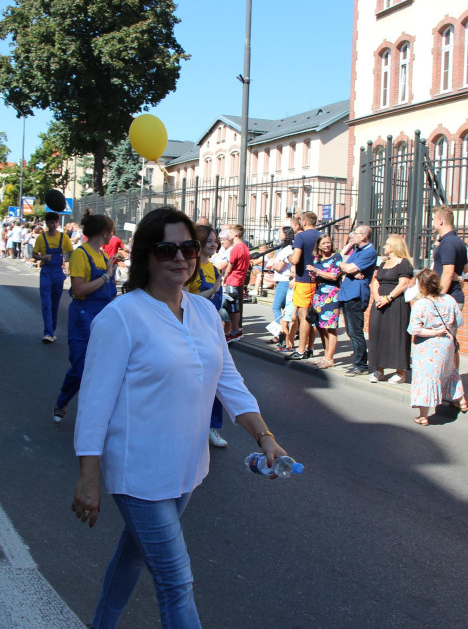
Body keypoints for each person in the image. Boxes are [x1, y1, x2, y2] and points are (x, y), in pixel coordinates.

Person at [70, 207, 288, 628]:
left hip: (187, 467)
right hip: (139, 473)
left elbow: (228, 380)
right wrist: (88, 475)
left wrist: (264, 436)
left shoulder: (205, 312)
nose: (180, 257)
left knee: (133, 556)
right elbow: (95, 404)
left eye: (188, 247)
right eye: (166, 248)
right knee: (176, 581)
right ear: (146, 256)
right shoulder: (121, 317)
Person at [52, 212, 118, 424]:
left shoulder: (103, 256)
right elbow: (79, 289)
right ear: (105, 233)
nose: (113, 236)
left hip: (104, 318)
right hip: (83, 317)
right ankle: (62, 401)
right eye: (112, 232)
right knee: (81, 367)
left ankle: (94, 412)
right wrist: (106, 276)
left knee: (103, 369)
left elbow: (109, 288)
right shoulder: (81, 254)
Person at [188, 225, 229, 447]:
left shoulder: (214, 270)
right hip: (191, 330)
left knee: (215, 379)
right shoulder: (189, 267)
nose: (214, 244)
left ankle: (211, 427)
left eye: (215, 241)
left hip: (211, 332)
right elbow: (183, 300)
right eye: (210, 240)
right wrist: (211, 291)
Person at [407, 269, 465, 424]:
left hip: (427, 346)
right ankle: (461, 400)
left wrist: (434, 331)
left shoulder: (421, 304)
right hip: (446, 344)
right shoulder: (449, 299)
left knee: (426, 378)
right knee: (448, 371)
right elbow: (459, 321)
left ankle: (423, 416)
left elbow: (414, 329)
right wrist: (444, 329)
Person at [367, 234, 414, 383]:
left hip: (396, 304)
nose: (384, 246)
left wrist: (388, 298)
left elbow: (403, 284)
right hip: (380, 303)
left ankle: (400, 372)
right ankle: (378, 369)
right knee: (377, 333)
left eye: (387, 244)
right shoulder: (383, 263)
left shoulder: (404, 263)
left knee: (396, 335)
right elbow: (376, 281)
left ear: (394, 246)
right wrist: (377, 296)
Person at [337, 225, 377, 376]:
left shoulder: (369, 252)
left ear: (364, 236)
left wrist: (347, 268)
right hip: (347, 293)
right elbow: (341, 264)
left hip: (356, 295)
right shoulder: (357, 250)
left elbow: (349, 269)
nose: (352, 236)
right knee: (351, 331)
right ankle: (358, 363)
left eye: (355, 234)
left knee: (355, 331)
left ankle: (361, 365)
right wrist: (345, 267)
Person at [431, 205, 468, 369]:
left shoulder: (448, 243)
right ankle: (451, 380)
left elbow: (447, 273)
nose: (432, 223)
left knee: (444, 341)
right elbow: (465, 269)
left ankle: (448, 382)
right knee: (450, 340)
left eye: (433, 220)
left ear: (440, 221)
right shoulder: (457, 242)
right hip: (454, 296)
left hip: (448, 297)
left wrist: (438, 297)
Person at [33, 212, 73, 344]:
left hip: (57, 273)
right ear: (47, 223)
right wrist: (42, 258)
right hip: (46, 272)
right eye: (51, 222)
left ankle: (51, 331)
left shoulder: (64, 238)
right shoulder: (41, 238)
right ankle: (48, 332)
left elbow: (71, 252)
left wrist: (72, 268)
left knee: (55, 304)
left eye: (56, 222)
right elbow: (34, 254)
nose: (54, 225)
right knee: (46, 303)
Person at [306, 234, 343, 368]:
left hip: (332, 295)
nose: (327, 245)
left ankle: (330, 359)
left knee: (331, 327)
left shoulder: (337, 257)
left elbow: (334, 276)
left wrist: (316, 271)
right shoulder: (318, 259)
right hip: (319, 294)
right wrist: (313, 276)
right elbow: (316, 278)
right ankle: (326, 355)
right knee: (321, 326)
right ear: (319, 246)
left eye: (328, 242)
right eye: (324, 243)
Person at [286, 211, 320, 359]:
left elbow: (295, 259)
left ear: (304, 222)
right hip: (318, 279)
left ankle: (301, 350)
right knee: (313, 315)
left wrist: (288, 257)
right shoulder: (322, 236)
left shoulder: (300, 236)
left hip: (304, 279)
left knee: (304, 315)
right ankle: (310, 347)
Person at [222, 225, 250, 342]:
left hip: (232, 280)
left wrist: (225, 278)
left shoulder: (236, 248)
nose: (229, 234)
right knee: (235, 306)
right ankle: (235, 330)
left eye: (231, 232)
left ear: (236, 234)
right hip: (239, 280)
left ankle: (234, 331)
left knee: (232, 307)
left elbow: (229, 266)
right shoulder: (245, 247)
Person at [268, 226, 295, 344]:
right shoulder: (282, 248)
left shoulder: (289, 249)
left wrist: (273, 266)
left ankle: (281, 335)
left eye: (280, 233)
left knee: (276, 307)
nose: (278, 235)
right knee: (284, 308)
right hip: (281, 280)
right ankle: (282, 335)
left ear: (286, 235)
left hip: (285, 281)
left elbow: (279, 267)